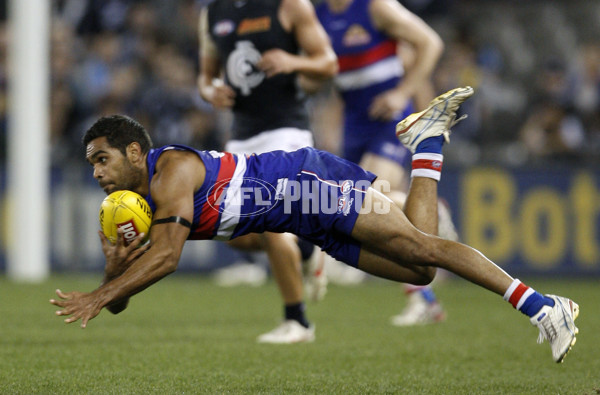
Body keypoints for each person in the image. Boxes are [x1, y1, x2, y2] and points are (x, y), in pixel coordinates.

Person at [51, 87, 579, 363]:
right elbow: (124, 296)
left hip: (302, 183)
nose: (97, 172)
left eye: (103, 159)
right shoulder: (136, 209)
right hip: (301, 217)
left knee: (427, 249)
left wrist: (104, 292)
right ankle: (428, 145)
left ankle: (543, 308)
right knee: (419, 268)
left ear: (135, 152)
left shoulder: (170, 174)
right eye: (92, 163)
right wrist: (112, 274)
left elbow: (167, 258)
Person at [196, 0, 338, 343]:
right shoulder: (214, 12)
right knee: (235, 233)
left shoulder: (289, 5)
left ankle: (297, 321)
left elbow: (328, 62)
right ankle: (305, 249)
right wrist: (210, 91)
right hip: (241, 134)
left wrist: (292, 61)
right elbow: (205, 77)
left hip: (285, 130)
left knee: (269, 220)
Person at [312, 0, 448, 325]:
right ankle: (426, 296)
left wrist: (403, 93)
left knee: (381, 197)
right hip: (354, 126)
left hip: (390, 120)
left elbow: (431, 43)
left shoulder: (376, 7)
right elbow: (337, 82)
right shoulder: (319, 15)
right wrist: (330, 123)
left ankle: (420, 292)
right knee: (385, 213)